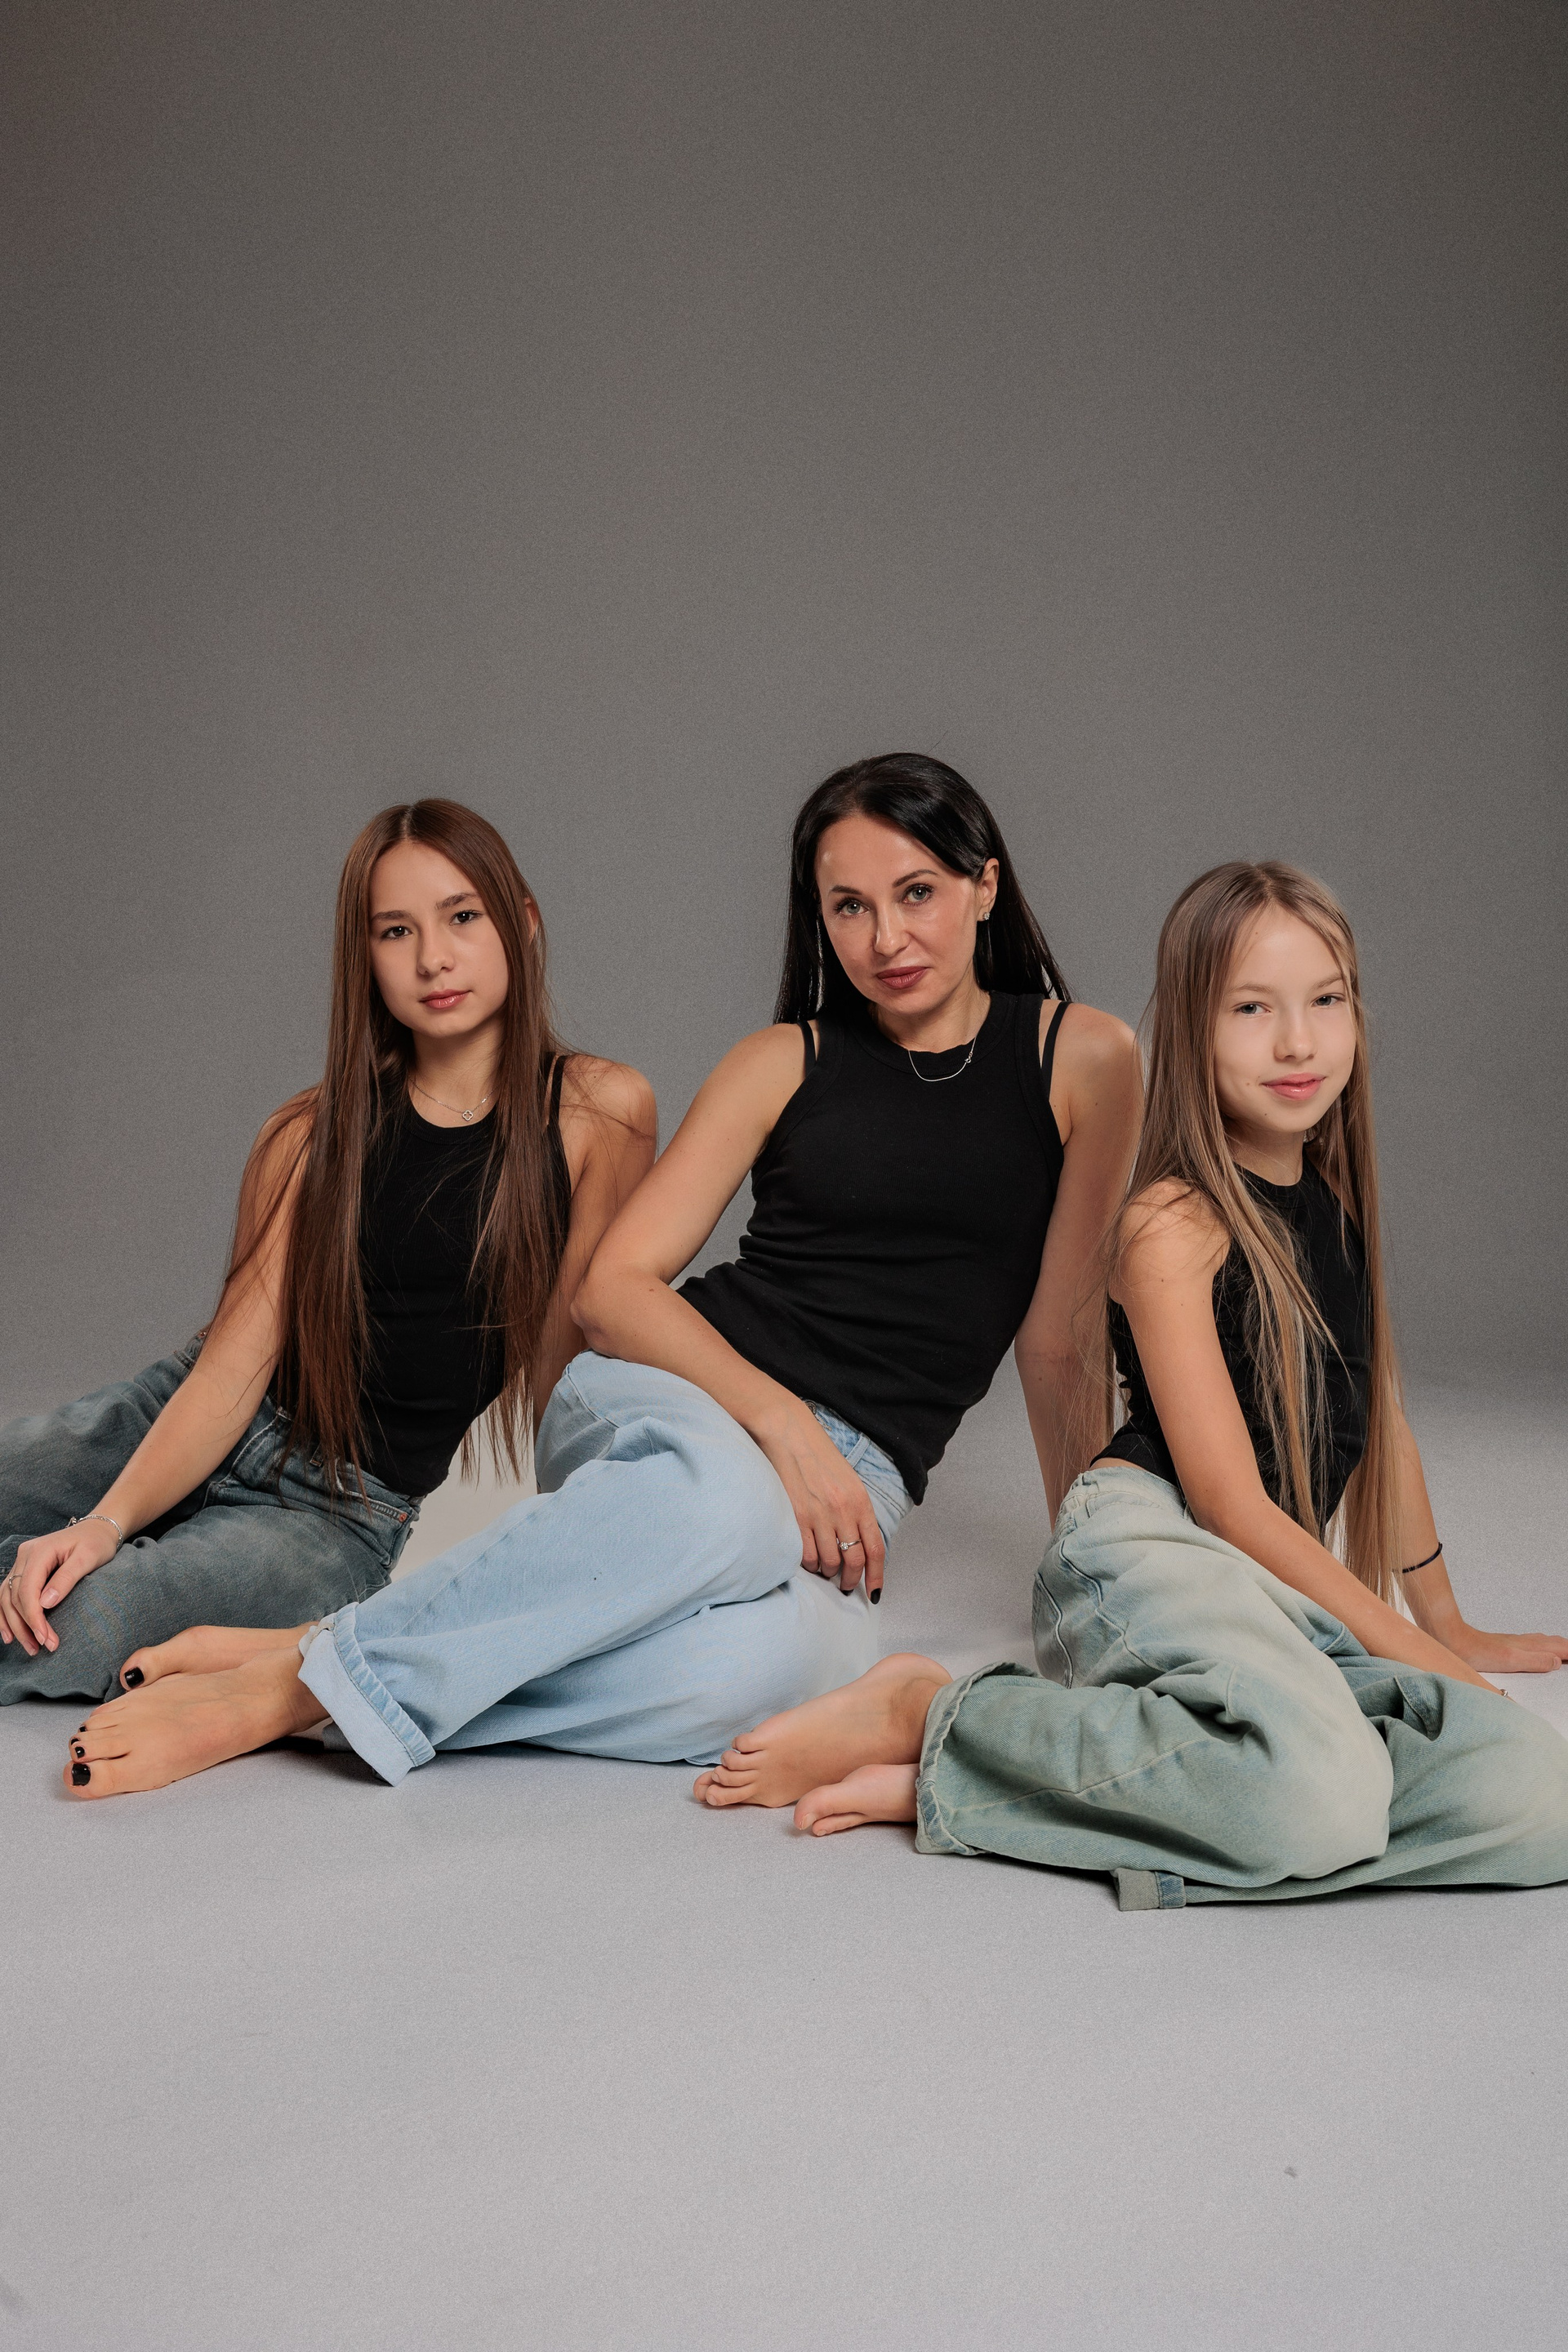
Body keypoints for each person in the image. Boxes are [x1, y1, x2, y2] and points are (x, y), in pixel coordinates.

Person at [60, 751, 1140, 1798]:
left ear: (984, 886)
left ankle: (318, 1655)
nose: (886, 937)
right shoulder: (782, 1062)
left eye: (917, 893)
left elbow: (1060, 1345)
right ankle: (283, 1698)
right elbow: (612, 1291)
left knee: (775, 1673)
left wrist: (1093, 1586)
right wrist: (782, 1426)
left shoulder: (1088, 1060)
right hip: (679, 1398)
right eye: (848, 907)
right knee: (728, 1508)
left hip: (856, 1487)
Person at [693, 860, 1568, 1909]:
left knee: (1539, 1801)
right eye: (1253, 1009)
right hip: (1152, 1547)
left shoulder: (1333, 1199)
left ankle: (1199, 1802)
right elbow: (1230, 1504)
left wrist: (1447, 1625)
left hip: (1270, 1592)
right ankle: (936, 1720)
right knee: (1324, 1797)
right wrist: (1432, 1668)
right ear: (1194, 1029)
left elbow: (1377, 1415)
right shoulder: (1171, 1223)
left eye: (1326, 1000)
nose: (1299, 1043)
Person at [3, 798, 653, 1710]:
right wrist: (106, 1522)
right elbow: (228, 1374)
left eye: (463, 916)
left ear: (525, 922)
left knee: (78, 1621)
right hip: (191, 1417)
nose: (433, 958)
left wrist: (571, 1573)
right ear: (366, 955)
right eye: (397, 930)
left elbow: (563, 1374)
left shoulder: (598, 1113)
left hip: (336, 1517)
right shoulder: (307, 1134)